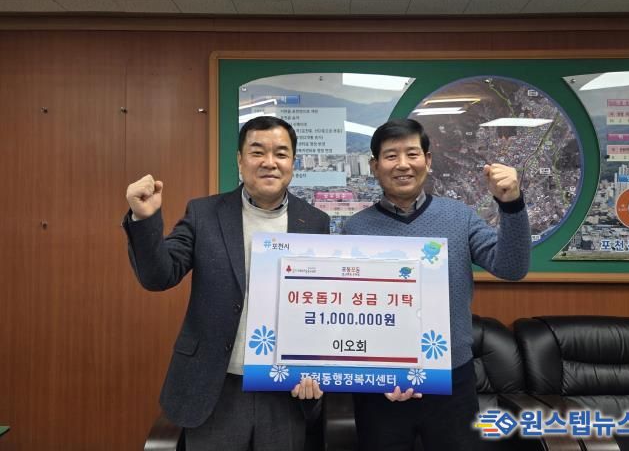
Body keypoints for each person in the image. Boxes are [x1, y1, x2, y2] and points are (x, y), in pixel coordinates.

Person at [123, 116, 329, 451]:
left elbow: (321, 305)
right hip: (215, 387)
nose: (269, 162)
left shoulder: (315, 222)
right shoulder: (204, 213)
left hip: (283, 390)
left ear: (293, 162)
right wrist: (145, 219)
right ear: (239, 160)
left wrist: (316, 367)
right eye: (257, 152)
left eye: (281, 153)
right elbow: (159, 276)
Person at [343, 118, 531, 451]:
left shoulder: (460, 217)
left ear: (427, 161)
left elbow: (512, 268)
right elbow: (346, 310)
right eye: (391, 156)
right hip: (379, 384)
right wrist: (371, 373)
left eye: (412, 154)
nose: (403, 164)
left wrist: (512, 205)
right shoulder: (354, 229)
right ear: (374, 166)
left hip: (452, 378)